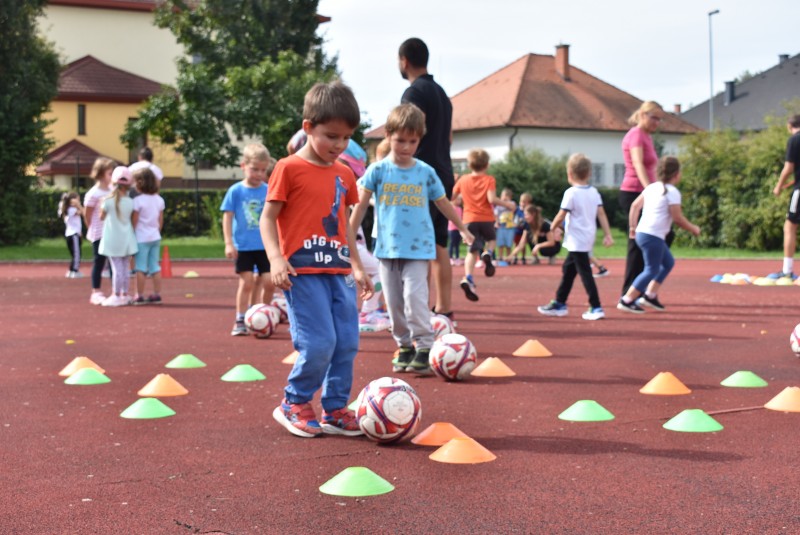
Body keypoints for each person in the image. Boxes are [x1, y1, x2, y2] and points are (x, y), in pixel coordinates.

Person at [261, 81, 373, 438]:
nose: (339, 145)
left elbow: (344, 225)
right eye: (331, 136)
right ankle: (293, 401)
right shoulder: (287, 168)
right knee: (319, 342)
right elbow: (267, 218)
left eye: (347, 138)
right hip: (302, 272)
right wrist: (276, 259)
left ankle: (335, 408)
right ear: (308, 127)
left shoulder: (344, 173)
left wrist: (357, 266)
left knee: (347, 341)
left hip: (339, 271)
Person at [350, 103, 472, 374]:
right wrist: (349, 233)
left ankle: (425, 345)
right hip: (386, 249)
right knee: (393, 305)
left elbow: (443, 202)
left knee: (414, 299)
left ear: (420, 139)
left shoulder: (425, 172)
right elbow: (360, 205)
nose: (406, 147)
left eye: (412, 142)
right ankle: (404, 346)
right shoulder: (378, 171)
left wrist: (462, 228)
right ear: (388, 136)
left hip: (418, 249)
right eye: (400, 140)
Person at [398, 37, 455, 320]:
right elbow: (449, 137)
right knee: (439, 243)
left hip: (420, 175)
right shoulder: (442, 94)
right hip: (444, 171)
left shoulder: (414, 93)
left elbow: (411, 127)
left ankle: (416, 310)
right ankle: (443, 308)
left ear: (404, 61)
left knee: (416, 244)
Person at [618, 156, 700, 313]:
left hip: (644, 233)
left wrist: (633, 227)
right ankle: (627, 299)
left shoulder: (652, 187)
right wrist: (693, 228)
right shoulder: (672, 192)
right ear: (676, 174)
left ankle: (650, 295)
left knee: (668, 263)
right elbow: (677, 218)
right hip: (652, 236)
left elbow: (635, 206)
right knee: (651, 269)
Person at [538, 154, 613, 320]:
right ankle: (560, 303)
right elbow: (601, 214)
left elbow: (561, 215)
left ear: (569, 174)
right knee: (568, 270)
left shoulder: (571, 193)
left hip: (577, 240)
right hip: (586, 237)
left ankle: (596, 306)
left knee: (585, 273)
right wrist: (608, 234)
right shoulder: (594, 192)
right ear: (589, 173)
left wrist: (553, 228)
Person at [221, 143, 274, 336]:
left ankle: (262, 314)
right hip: (244, 246)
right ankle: (240, 318)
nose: (259, 174)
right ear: (243, 166)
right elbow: (227, 216)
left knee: (269, 281)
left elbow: (275, 216)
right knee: (248, 282)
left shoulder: (268, 190)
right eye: (254, 169)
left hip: (265, 245)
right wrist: (228, 243)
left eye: (263, 170)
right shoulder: (236, 191)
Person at [452, 148, 515, 302]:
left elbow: (451, 197)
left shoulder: (463, 180)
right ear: (487, 165)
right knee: (492, 239)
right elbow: (492, 199)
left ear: (469, 165)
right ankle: (488, 252)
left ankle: (468, 277)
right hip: (486, 218)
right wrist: (507, 204)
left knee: (472, 251)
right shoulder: (489, 180)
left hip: (469, 219)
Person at [619, 101, 669, 294]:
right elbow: (638, 163)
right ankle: (629, 292)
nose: (657, 122)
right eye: (654, 117)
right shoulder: (636, 135)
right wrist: (650, 191)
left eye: (660, 119)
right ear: (642, 115)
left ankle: (640, 288)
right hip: (634, 192)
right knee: (637, 242)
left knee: (656, 238)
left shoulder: (646, 137)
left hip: (644, 192)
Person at [98, 167, 138, 307]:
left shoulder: (107, 201)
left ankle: (116, 295)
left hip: (112, 239)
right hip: (126, 238)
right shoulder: (130, 202)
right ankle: (124, 295)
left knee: (116, 269)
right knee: (125, 268)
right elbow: (133, 220)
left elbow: (101, 217)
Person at [769, 114, 800, 280]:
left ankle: (787, 270)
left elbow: (788, 168)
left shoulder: (794, 140)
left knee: (790, 227)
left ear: (790, 126)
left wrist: (778, 186)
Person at [84, 157, 116, 305]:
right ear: (101, 173)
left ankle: (116, 291)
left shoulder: (113, 191)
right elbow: (87, 215)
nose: (112, 176)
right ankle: (96, 292)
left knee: (114, 262)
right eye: (110, 173)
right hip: (99, 233)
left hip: (112, 232)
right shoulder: (93, 193)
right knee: (99, 261)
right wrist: (92, 230)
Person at [131, 167, 165, 305]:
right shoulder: (159, 200)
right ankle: (157, 293)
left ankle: (139, 294)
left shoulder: (137, 201)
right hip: (155, 236)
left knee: (140, 267)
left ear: (139, 183)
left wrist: (131, 234)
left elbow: (134, 221)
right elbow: (160, 220)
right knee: (154, 266)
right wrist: (157, 231)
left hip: (141, 237)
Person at [59, 192, 84, 278]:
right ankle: (75, 270)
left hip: (71, 234)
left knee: (74, 254)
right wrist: (78, 205)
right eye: (78, 199)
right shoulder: (71, 209)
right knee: (77, 254)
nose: (79, 201)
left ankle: (71, 269)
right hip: (73, 234)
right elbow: (83, 212)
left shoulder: (67, 209)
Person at [494, 188, 517, 262]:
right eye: (503, 196)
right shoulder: (498, 205)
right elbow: (496, 214)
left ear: (510, 197)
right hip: (501, 226)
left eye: (506, 196)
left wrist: (505, 202)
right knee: (500, 243)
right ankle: (500, 257)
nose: (504, 198)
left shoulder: (512, 203)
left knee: (508, 244)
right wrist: (496, 222)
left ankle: (508, 258)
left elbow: (513, 208)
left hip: (509, 227)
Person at [512, 192, 533, 264]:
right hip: (517, 230)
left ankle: (523, 257)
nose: (522, 203)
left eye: (524, 202)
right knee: (516, 244)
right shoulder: (517, 210)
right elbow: (513, 217)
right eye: (521, 201)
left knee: (523, 245)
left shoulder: (529, 211)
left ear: (528, 203)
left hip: (524, 231)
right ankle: (515, 257)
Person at [448, 196, 464, 265]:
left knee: (457, 244)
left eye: (460, 200)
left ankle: (457, 258)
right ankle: (450, 258)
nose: (459, 201)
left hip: (458, 229)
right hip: (452, 228)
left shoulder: (460, 209)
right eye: (457, 199)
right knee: (452, 243)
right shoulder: (451, 208)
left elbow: (461, 218)